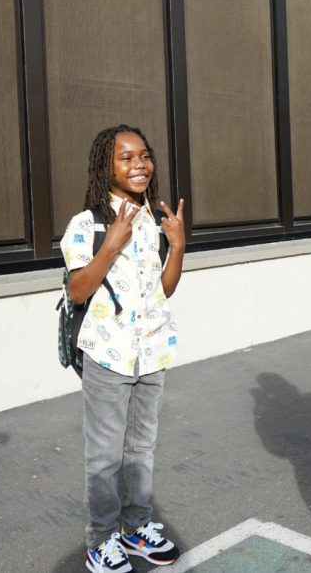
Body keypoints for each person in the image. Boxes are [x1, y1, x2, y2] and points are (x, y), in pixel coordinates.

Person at [61, 124, 186, 573]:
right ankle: (100, 539)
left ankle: (136, 528)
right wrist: (110, 247)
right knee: (105, 456)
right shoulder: (88, 224)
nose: (140, 166)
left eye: (145, 156)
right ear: (105, 166)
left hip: (151, 351)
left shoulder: (153, 219)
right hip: (109, 355)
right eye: (127, 158)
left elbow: (162, 291)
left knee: (141, 449)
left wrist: (179, 247)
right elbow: (78, 290)